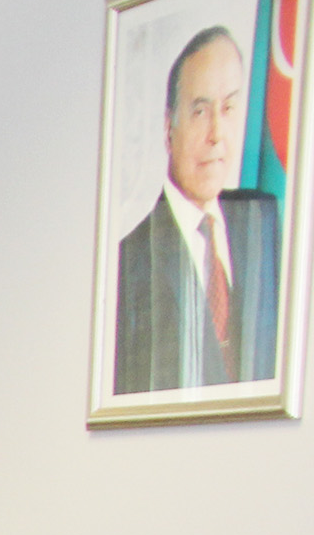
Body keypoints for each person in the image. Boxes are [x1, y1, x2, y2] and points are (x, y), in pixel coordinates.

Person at [115, 23, 283, 393]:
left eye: (228, 108)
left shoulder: (262, 220)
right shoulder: (129, 261)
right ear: (168, 128)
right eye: (200, 112)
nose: (217, 134)